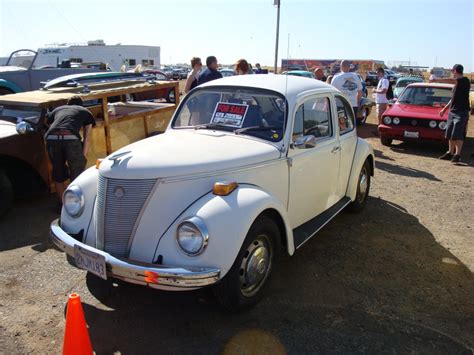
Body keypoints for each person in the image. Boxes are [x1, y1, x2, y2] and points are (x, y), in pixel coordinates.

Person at [45, 96, 95, 203]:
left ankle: (64, 205)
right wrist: (83, 157)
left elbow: (50, 125)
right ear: (81, 105)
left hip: (51, 138)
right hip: (70, 138)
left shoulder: (57, 110)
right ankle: (76, 204)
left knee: (57, 173)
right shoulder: (85, 111)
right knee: (78, 173)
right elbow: (87, 137)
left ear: (68, 104)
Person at [435, 64, 470, 163]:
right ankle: (450, 152)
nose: (452, 73)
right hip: (452, 111)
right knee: (449, 133)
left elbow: (451, 80)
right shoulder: (456, 84)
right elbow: (452, 99)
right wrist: (444, 109)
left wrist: (437, 80)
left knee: (458, 134)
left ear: (455, 71)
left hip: (461, 112)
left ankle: (457, 154)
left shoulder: (465, 80)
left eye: (452, 71)